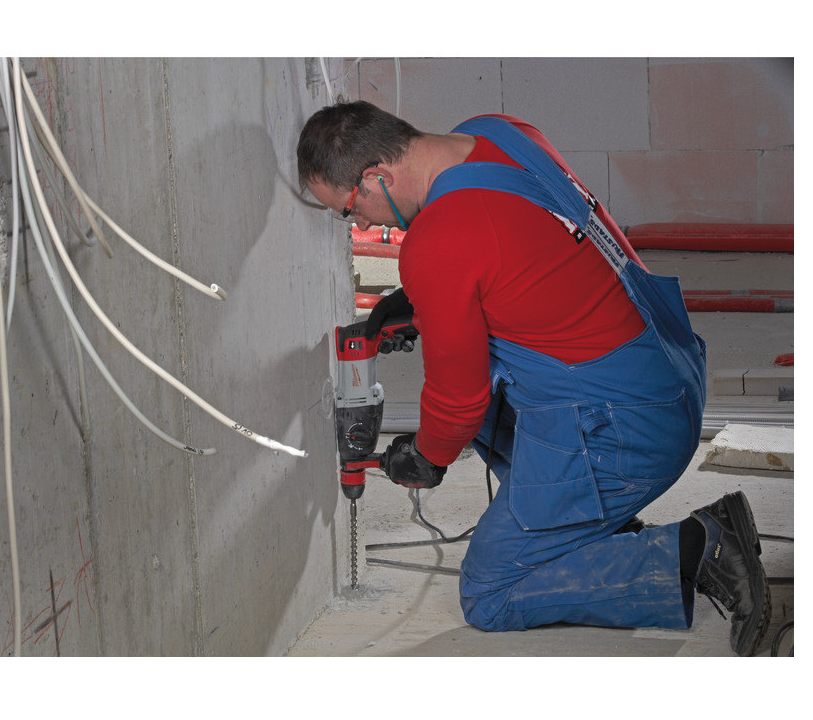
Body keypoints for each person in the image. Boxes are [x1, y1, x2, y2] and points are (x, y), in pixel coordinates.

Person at [297, 99, 771, 655]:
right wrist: (429, 302)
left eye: (350, 208)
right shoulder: (498, 133)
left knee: (492, 591)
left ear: (378, 175)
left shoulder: (439, 241)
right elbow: (519, 257)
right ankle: (591, 524)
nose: (360, 224)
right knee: (491, 400)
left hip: (629, 432)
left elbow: (457, 400)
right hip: (671, 373)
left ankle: (702, 546)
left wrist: (426, 456)